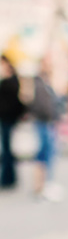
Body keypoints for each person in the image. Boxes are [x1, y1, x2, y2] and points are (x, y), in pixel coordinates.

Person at [28, 70, 62, 201]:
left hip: (45, 123)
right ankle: (43, 185)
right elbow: (45, 106)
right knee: (45, 153)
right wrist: (51, 117)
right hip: (44, 123)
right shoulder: (41, 86)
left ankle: (43, 185)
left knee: (45, 153)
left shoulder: (41, 86)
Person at [0, 56, 22, 189]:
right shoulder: (10, 81)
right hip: (7, 119)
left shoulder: (10, 82)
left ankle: (7, 178)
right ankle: (9, 178)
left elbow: (12, 103)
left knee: (7, 149)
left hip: (8, 119)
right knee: (7, 149)